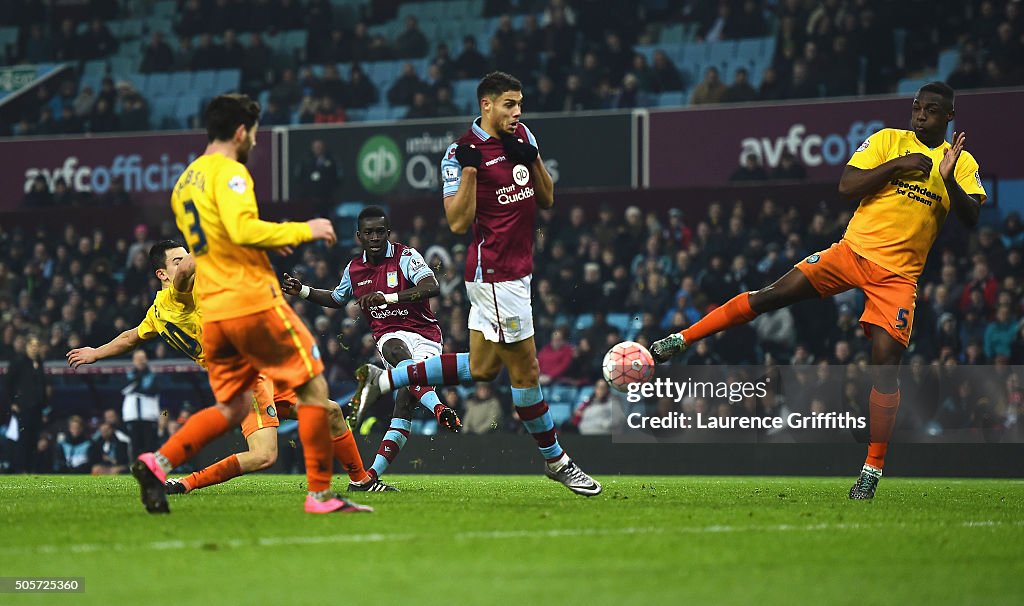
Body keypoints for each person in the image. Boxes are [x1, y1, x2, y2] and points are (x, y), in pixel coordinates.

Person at [650, 82, 987, 499]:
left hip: (898, 277)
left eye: (932, 111)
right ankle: (680, 340)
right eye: (917, 107)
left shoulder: (962, 161)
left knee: (885, 364)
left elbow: (971, 218)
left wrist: (949, 178)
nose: (920, 115)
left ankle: (872, 470)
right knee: (771, 294)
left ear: (949, 117)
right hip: (851, 252)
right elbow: (847, 186)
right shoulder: (887, 141)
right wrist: (898, 167)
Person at [109, 95, 369, 514]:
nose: (255, 142)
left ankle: (157, 462)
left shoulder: (184, 182)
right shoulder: (231, 173)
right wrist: (300, 230)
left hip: (216, 317)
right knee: (315, 387)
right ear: (241, 131)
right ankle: (320, 496)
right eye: (255, 133)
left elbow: (210, 243)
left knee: (231, 407)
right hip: (250, 301)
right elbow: (242, 227)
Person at [351, 72, 601, 496]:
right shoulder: (457, 154)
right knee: (527, 371)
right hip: (495, 275)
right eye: (509, 103)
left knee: (485, 367)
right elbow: (457, 221)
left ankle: (388, 379)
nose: (517, 111)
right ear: (486, 105)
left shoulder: (522, 136)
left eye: (519, 103)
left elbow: (548, 198)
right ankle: (558, 461)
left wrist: (531, 157)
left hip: (518, 275)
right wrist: (470, 169)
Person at [282, 206, 462, 488]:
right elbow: (337, 298)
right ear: (359, 237)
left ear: (388, 234)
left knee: (405, 405)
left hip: (426, 336)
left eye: (380, 232)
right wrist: (303, 291)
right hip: (389, 335)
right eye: (369, 233)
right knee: (396, 352)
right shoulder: (354, 269)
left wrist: (388, 298)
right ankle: (439, 409)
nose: (375, 237)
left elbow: (432, 285)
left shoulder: (405, 256)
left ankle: (368, 478)